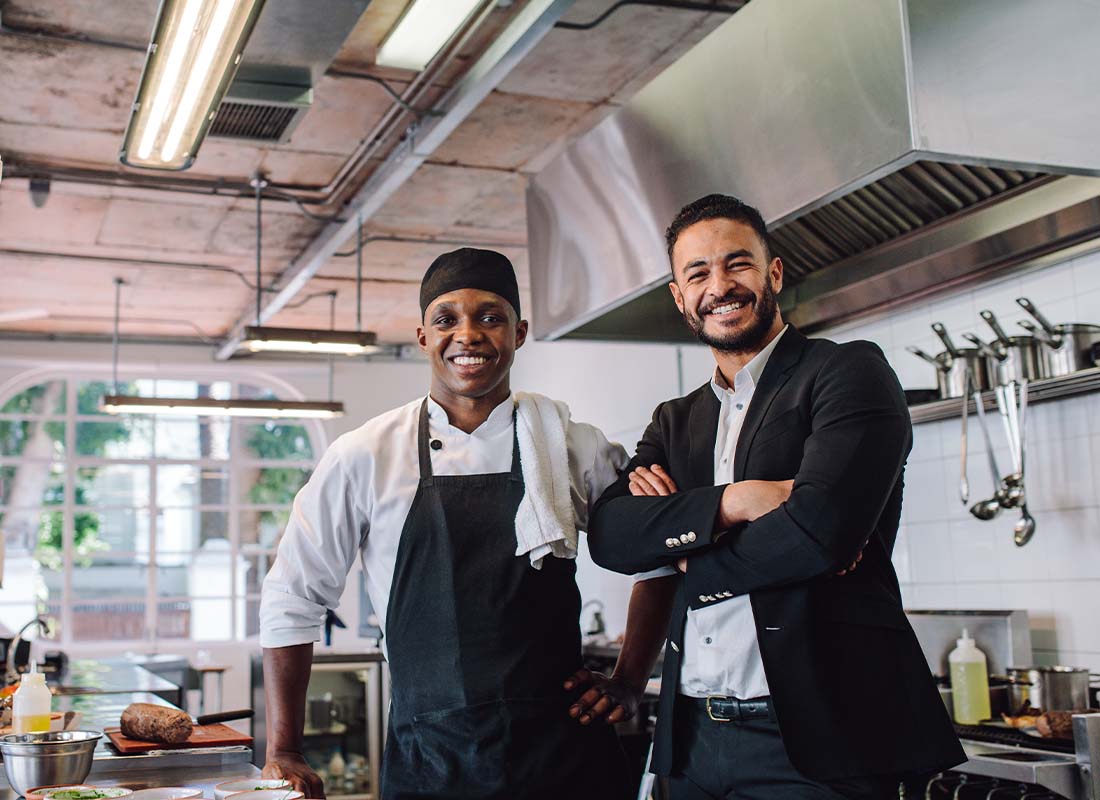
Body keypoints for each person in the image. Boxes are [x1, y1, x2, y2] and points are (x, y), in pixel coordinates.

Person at [579, 195, 965, 798]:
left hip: (815, 744)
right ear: (680, 297)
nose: (720, 286)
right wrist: (734, 503)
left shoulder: (845, 372)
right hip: (690, 743)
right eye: (698, 273)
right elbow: (611, 536)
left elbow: (818, 534)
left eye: (739, 264)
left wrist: (682, 552)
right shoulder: (674, 421)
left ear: (774, 273)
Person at [259, 248, 633, 799]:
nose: (469, 334)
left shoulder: (574, 446)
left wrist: (629, 676)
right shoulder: (364, 455)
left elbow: (662, 553)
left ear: (520, 331)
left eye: (490, 316)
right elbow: (292, 597)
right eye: (447, 319)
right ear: (422, 336)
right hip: (431, 760)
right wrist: (284, 750)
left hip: (563, 758)